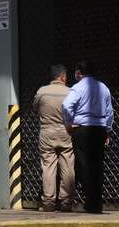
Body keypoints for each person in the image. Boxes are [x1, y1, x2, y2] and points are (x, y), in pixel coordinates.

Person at [62, 60, 113, 214]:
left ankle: (90, 202)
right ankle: (97, 203)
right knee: (97, 165)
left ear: (78, 72)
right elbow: (110, 111)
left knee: (83, 165)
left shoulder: (77, 88)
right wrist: (107, 130)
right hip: (99, 129)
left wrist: (69, 123)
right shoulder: (103, 88)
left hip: (82, 129)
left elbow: (66, 106)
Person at [32, 65, 74, 212]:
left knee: (48, 167)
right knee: (67, 165)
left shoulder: (42, 91)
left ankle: (48, 202)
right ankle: (66, 202)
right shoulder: (71, 92)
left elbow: (35, 107)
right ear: (63, 77)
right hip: (66, 131)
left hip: (47, 132)